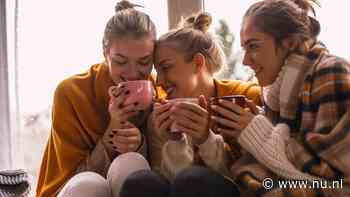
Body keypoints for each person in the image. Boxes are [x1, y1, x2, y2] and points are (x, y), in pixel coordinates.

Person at [211, 0, 350, 196]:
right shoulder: (276, 92)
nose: (245, 60)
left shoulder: (330, 72)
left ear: (290, 43)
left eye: (253, 46)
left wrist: (259, 133)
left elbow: (337, 183)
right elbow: (277, 166)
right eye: (244, 48)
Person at [118, 12, 261, 197]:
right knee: (140, 182)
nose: (159, 81)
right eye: (157, 71)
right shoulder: (160, 114)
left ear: (197, 62)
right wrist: (175, 141)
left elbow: (251, 182)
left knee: (193, 179)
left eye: (166, 67)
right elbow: (169, 185)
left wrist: (205, 139)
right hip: (185, 186)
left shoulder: (242, 98)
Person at [36, 1, 162, 196]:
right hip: (76, 189)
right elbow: (71, 179)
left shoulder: (158, 93)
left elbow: (160, 175)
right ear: (105, 54)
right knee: (89, 185)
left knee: (131, 164)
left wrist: (139, 144)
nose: (132, 73)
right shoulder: (70, 93)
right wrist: (111, 133)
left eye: (144, 62)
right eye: (120, 61)